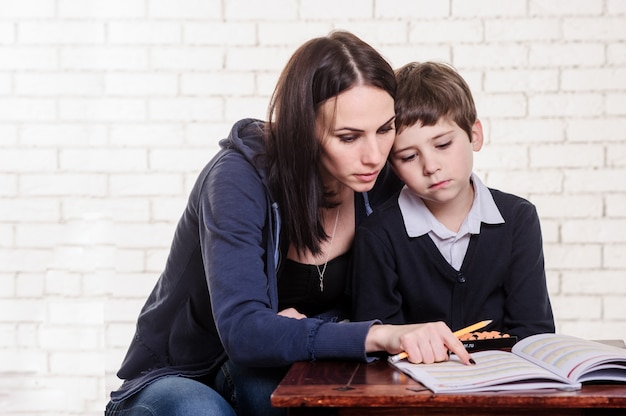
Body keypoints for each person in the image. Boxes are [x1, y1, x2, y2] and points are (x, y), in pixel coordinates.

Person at [105, 35, 473, 416]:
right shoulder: (236, 179)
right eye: (348, 137)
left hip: (263, 367)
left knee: (303, 400)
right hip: (179, 374)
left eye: (385, 129)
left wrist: (306, 328)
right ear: (304, 128)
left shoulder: (380, 180)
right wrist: (379, 334)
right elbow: (245, 332)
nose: (375, 155)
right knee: (200, 411)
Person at [351, 61, 555, 341]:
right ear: (393, 167)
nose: (431, 166)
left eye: (443, 145)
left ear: (474, 135)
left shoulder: (518, 218)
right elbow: (377, 342)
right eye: (409, 157)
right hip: (411, 383)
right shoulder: (378, 235)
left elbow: (534, 331)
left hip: (503, 379)